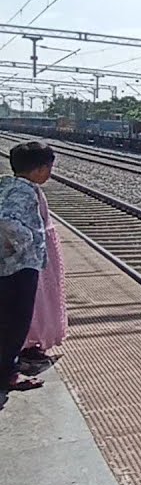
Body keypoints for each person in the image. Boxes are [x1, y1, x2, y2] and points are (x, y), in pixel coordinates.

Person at [0, 141, 55, 392]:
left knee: (9, 320)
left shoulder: (9, 185)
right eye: (48, 167)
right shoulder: (24, 192)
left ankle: (7, 369)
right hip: (19, 268)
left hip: (9, 267)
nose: (50, 172)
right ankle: (7, 374)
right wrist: (27, 243)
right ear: (38, 169)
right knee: (16, 322)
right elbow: (6, 220)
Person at [19, 180, 65, 375]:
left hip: (30, 255)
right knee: (40, 299)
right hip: (37, 254)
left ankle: (27, 342)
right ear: (40, 169)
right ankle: (29, 343)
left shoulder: (11, 188)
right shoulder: (31, 192)